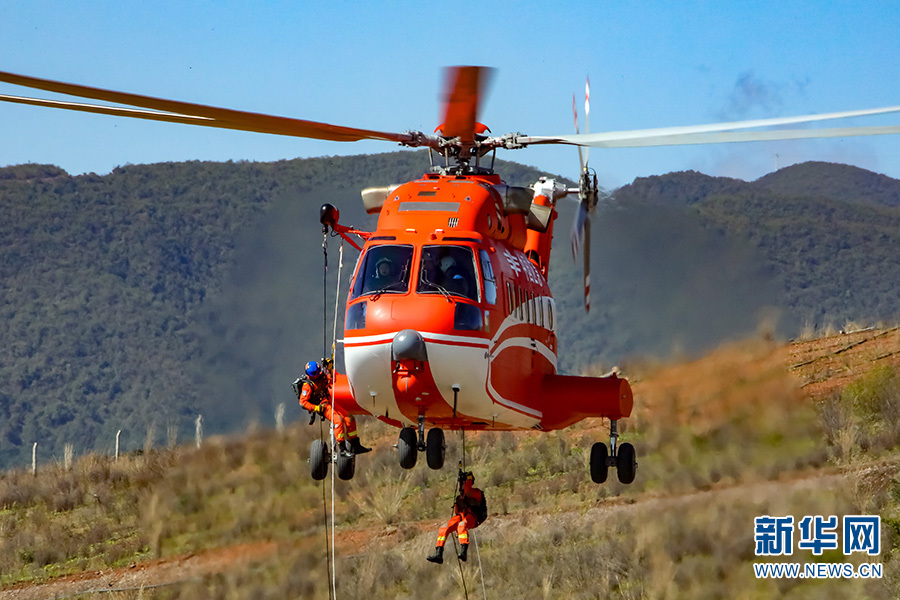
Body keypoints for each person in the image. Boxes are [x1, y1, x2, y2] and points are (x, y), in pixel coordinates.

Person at [295, 360, 370, 457]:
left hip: (330, 400)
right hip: (323, 406)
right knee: (338, 421)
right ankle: (342, 449)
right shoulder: (307, 386)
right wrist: (316, 408)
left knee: (349, 418)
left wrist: (330, 368)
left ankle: (355, 444)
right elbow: (303, 402)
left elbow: (331, 378)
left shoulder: (322, 376)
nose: (317, 375)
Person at [426, 471, 487, 564]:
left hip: (473, 517)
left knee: (462, 526)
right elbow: (457, 512)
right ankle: (439, 553)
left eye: (463, 483)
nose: (462, 485)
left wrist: (468, 479)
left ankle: (463, 551)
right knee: (444, 528)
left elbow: (467, 491)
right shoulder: (459, 498)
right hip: (461, 516)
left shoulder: (476, 492)